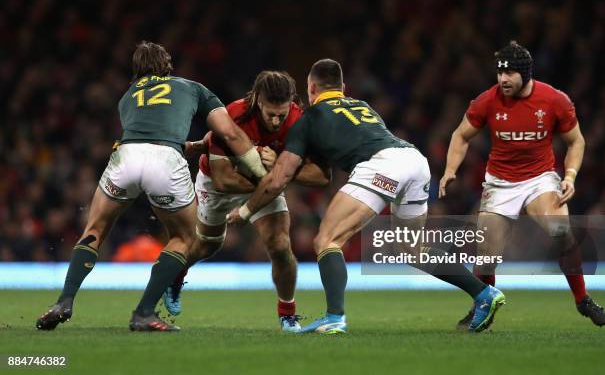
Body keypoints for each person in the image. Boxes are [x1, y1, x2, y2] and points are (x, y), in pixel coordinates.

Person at [228, 59, 506, 334]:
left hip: (381, 165)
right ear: (343, 87)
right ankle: (484, 293)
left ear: (311, 88)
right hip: (415, 160)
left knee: (327, 240)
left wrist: (245, 211)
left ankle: (334, 317)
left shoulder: (309, 118)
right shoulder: (362, 106)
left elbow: (279, 179)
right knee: (412, 250)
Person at [36, 41, 266, 332]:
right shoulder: (191, 87)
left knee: (94, 229)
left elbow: (146, 128)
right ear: (168, 64)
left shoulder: (127, 96)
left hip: (126, 157)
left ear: (136, 70)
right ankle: (144, 312)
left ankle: (64, 301)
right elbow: (229, 132)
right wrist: (259, 172)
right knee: (185, 238)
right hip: (165, 160)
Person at [439, 41, 605, 328]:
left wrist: (569, 176)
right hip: (500, 182)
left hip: (539, 179)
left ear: (525, 74)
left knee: (562, 233)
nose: (503, 79)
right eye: (499, 74)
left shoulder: (555, 100)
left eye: (510, 74)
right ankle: (482, 304)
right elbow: (460, 135)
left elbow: (576, 140)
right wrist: (450, 170)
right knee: (486, 255)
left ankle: (582, 298)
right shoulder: (487, 100)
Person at [162, 71, 330, 332]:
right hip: (219, 183)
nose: (276, 122)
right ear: (258, 102)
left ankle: (287, 314)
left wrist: (282, 171)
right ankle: (176, 275)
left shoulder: (299, 121)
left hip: (263, 182)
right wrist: (272, 176)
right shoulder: (232, 115)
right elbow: (222, 180)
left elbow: (321, 176)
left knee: (280, 244)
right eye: (270, 114)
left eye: (281, 115)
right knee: (207, 245)